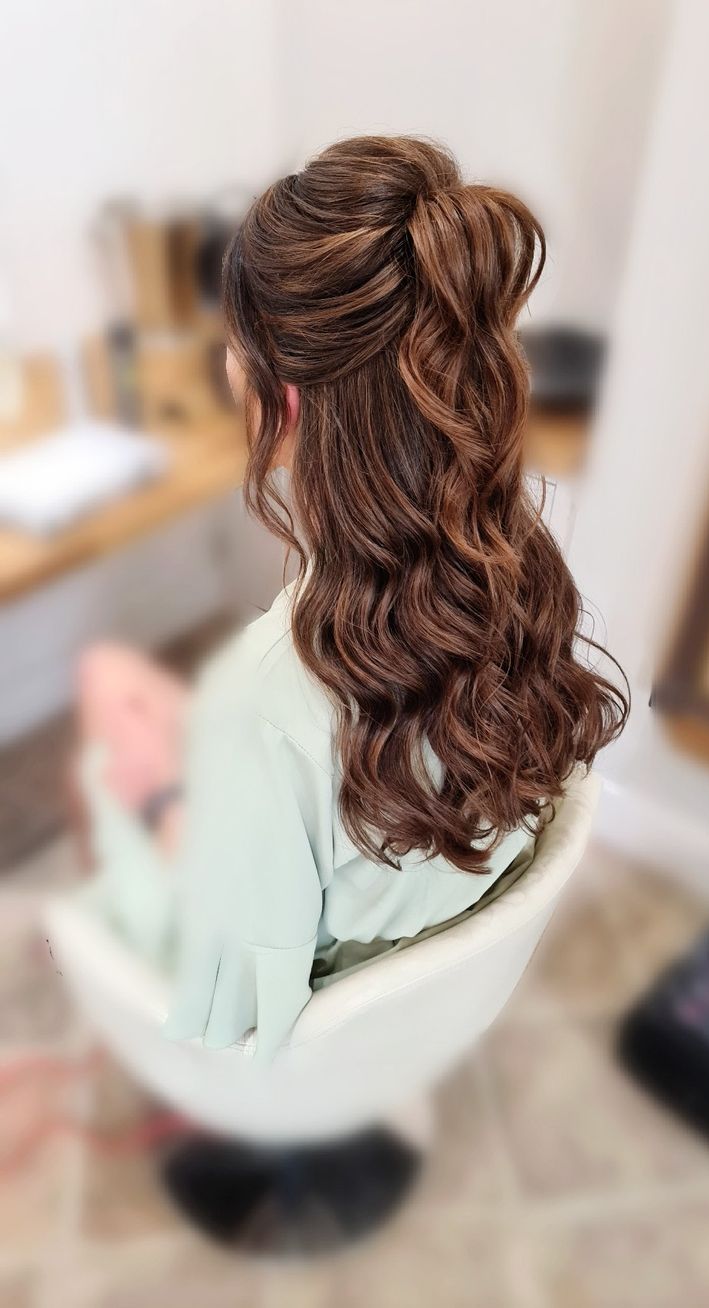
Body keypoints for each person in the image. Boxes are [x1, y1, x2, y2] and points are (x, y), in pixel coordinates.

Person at [76, 136, 627, 1060]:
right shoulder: (519, 568)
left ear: (283, 404)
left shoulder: (264, 705)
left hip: (323, 1039)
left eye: (231, 345)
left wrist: (170, 824)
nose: (224, 368)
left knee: (111, 748)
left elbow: (237, 1017)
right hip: (439, 972)